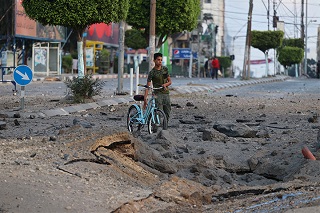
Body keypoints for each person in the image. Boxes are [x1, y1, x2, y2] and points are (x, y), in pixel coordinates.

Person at [144, 53, 172, 121]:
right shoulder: (152, 72)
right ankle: (156, 126)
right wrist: (145, 98)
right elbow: (148, 86)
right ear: (154, 60)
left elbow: (169, 81)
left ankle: (165, 127)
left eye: (161, 60)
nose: (160, 61)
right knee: (158, 112)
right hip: (157, 94)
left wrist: (165, 84)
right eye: (158, 60)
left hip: (166, 93)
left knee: (167, 112)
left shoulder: (165, 69)